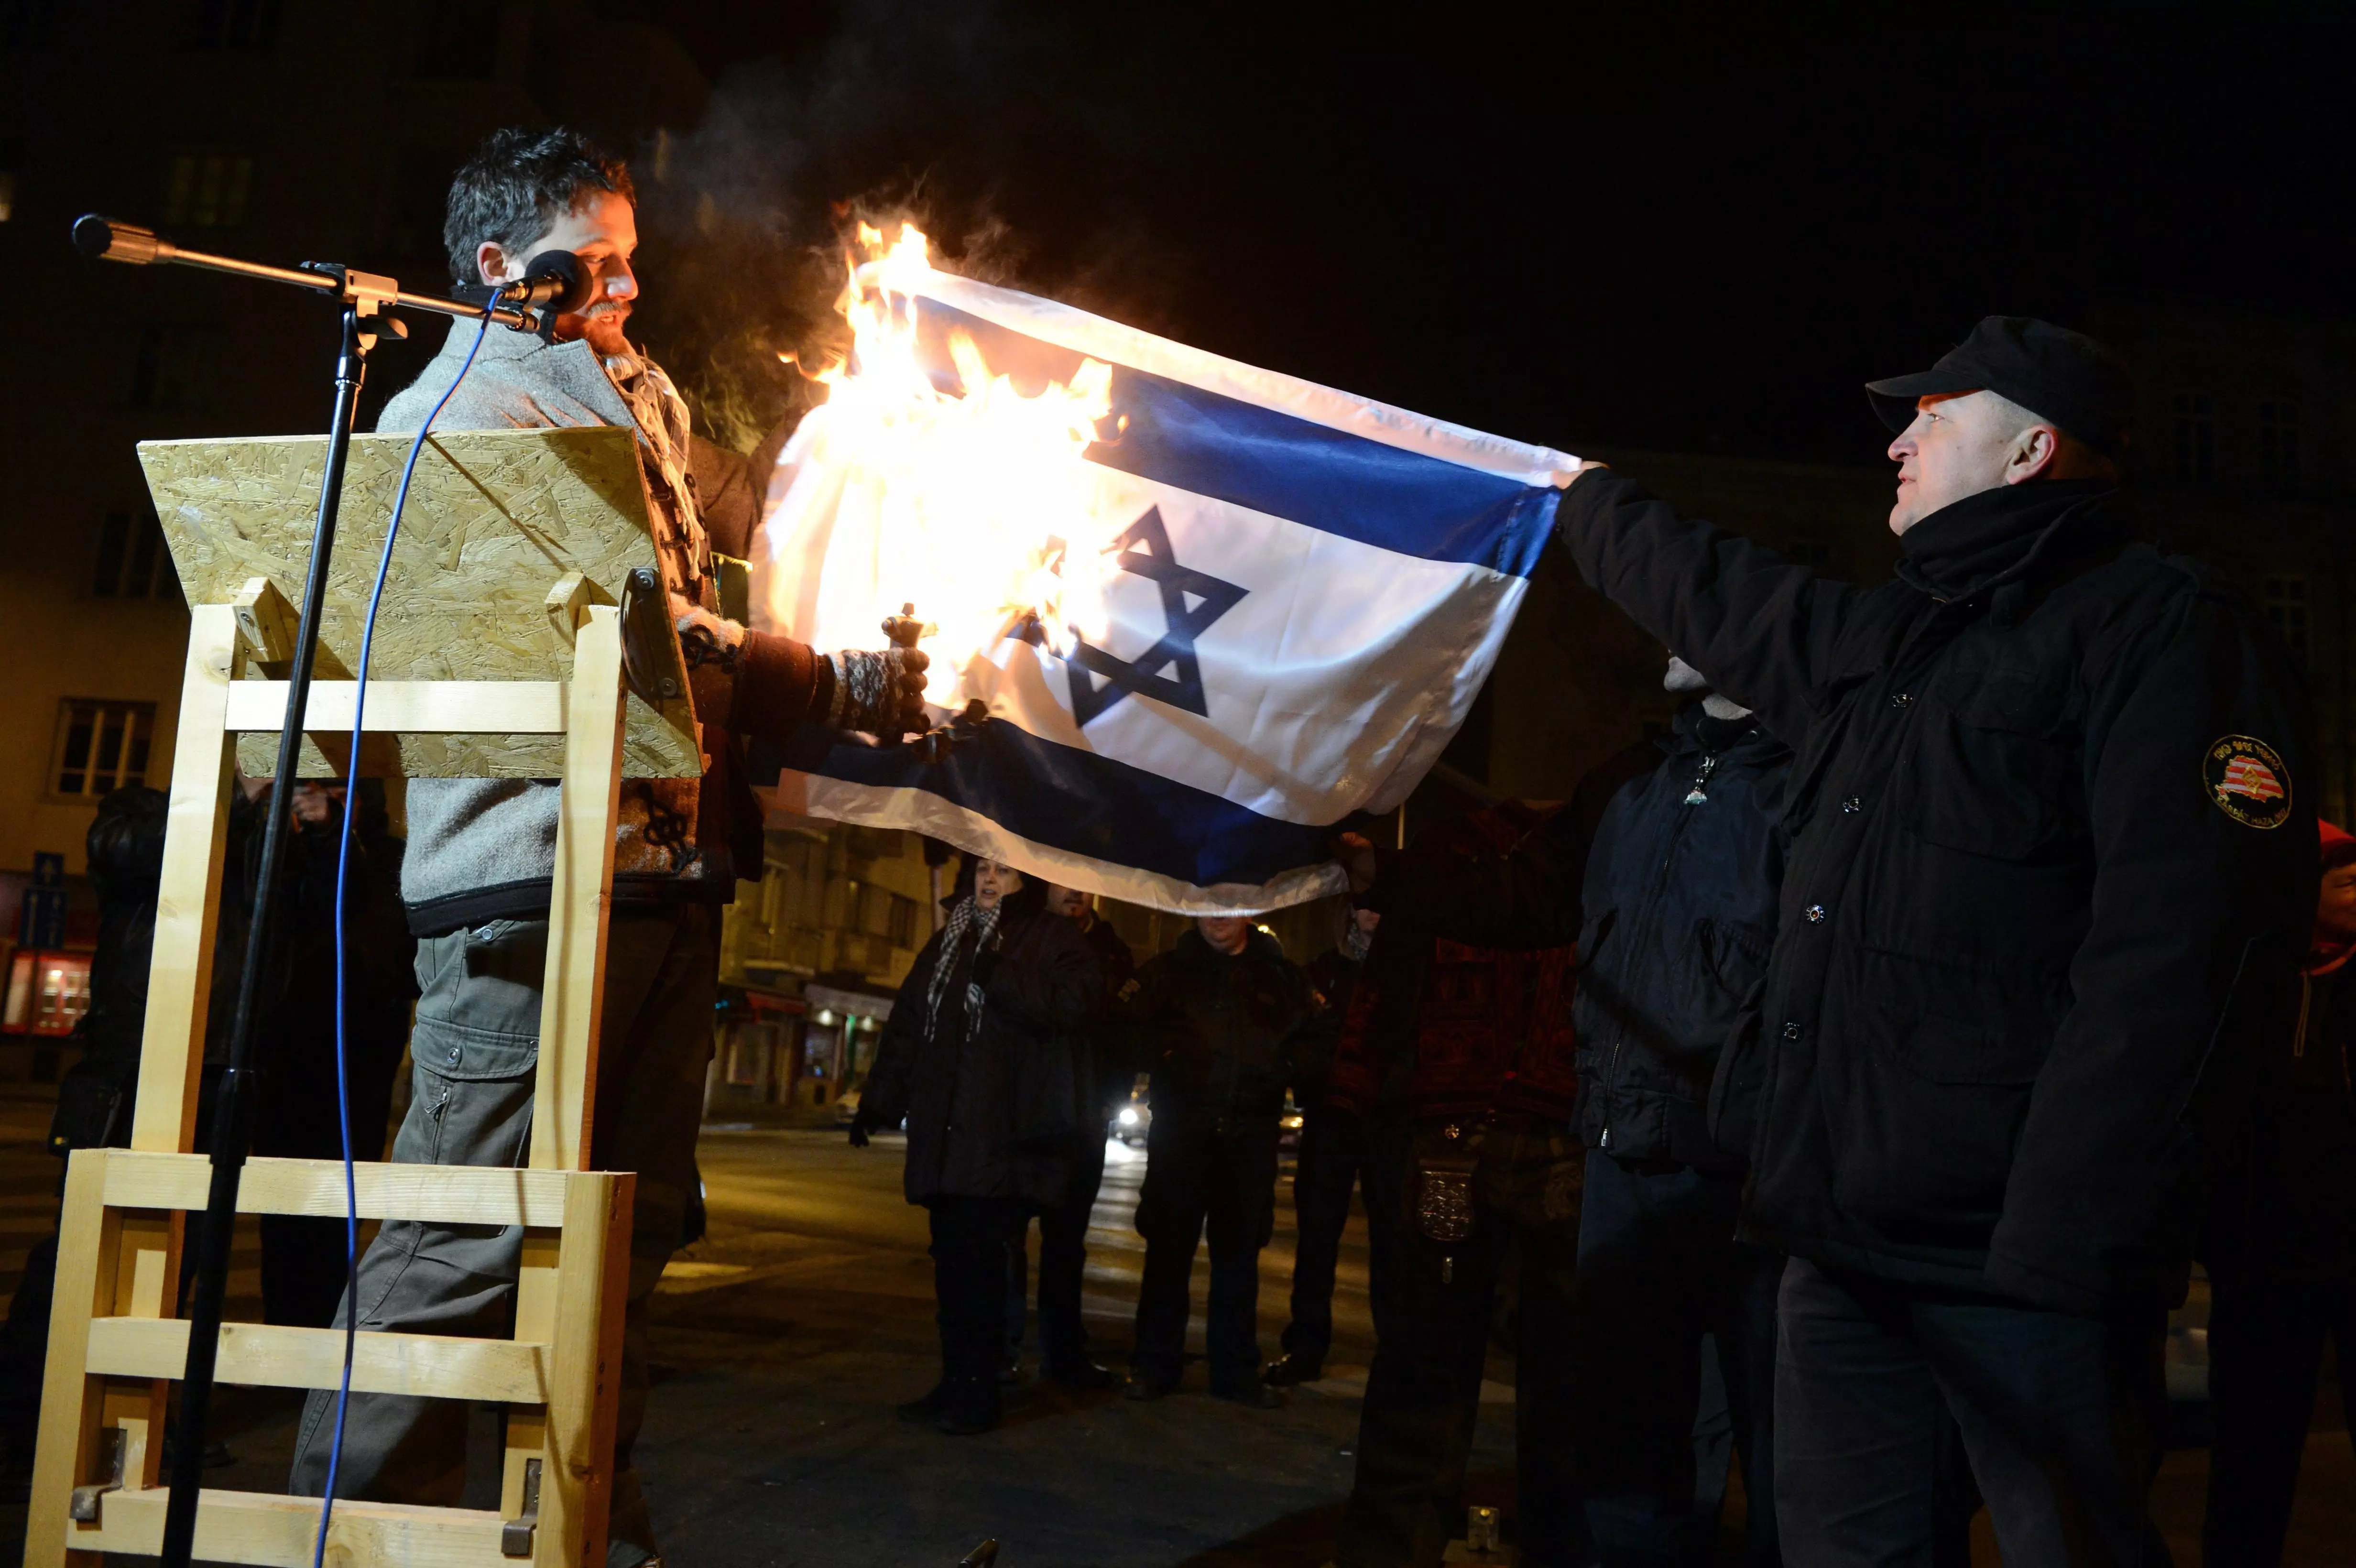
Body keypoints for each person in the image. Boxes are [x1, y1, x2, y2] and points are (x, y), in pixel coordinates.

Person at [1551, 316, 2315, 1562]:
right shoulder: (1900, 643)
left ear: (2028, 450)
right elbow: (1720, 590)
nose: (1900, 440)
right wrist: (1574, 497)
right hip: (1839, 1238)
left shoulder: (2163, 631)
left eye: (1934, 416)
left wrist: (2074, 1229)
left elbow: (2188, 953)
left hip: (2025, 1256)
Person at [285, 127, 927, 1566]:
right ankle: (347, 1527)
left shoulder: (639, 391)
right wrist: (808, 675)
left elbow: (705, 554)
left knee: (625, 1244)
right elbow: (621, 613)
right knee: (463, 1229)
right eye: (604, 263)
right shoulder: (456, 407)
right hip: (526, 869)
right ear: (504, 265)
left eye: (637, 261)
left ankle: (581, 1523)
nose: (631, 290)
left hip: (660, 875)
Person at [1564, 657, 1788, 1567]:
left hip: (1743, 1168)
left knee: (1781, 1442)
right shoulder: (1637, 793)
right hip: (1623, 1150)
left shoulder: (1803, 783)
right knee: (1628, 1435)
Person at [1331, 804, 1587, 1568]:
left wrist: (1358, 1088)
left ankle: (1397, 1545)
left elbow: (1387, 980)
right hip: (1493, 1140)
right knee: (1519, 1378)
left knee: (1436, 1369)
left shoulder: (1465, 860)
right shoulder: (1573, 851)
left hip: (1496, 1136)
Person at [856, 859, 1101, 1433]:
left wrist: (999, 973)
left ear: (1027, 880)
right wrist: (879, 1100)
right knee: (951, 1266)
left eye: (1003, 871)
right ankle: (956, 1381)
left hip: (1003, 1134)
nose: (989, 880)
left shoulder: (1052, 938)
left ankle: (978, 1394)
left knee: (981, 1269)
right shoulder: (950, 938)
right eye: (981, 869)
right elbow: (909, 1025)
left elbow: (1071, 1007)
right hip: (945, 1133)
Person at [2199, 819, 2356, 1566]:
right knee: (2253, 1462)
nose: (2355, 884)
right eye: (2339, 872)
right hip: (2267, 1262)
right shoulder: (2249, 985)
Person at [1123, 913, 1319, 1405]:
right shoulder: (1167, 970)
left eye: (1230, 903)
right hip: (1181, 1134)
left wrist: (1284, 1070)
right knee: (1168, 1252)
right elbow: (1126, 1028)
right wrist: (1166, 1056)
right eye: (1208, 901)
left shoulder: (1279, 975)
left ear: (1249, 909)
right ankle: (1153, 1364)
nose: (1218, 916)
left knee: (1238, 1257)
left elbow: (1313, 1039)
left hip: (1249, 1136)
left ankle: (1234, 1371)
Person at [251, 780, 417, 1330]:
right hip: (282, 1054)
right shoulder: (276, 844)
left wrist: (335, 836)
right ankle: (286, 1333)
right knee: (278, 1210)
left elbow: (369, 937)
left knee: (330, 1212)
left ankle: (320, 1332)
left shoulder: (387, 859)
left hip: (352, 1063)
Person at [1003, 883, 1135, 1388]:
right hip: (1023, 1111)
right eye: (1062, 877)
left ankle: (1062, 1353)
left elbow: (1123, 1034)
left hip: (1081, 1115)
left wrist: (1109, 1096)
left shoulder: (1112, 951)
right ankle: (999, 1350)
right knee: (1006, 1235)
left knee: (1066, 1240)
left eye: (1083, 879)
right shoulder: (1019, 937)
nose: (1074, 889)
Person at [1265, 903, 1381, 1386]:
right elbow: (1301, 1036)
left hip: (1386, 1117)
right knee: (1316, 1237)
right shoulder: (1322, 971)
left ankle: (1396, 1351)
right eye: (1365, 905)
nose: (1372, 913)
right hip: (1330, 1115)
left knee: (1393, 1242)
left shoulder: (1408, 966)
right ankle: (1305, 1346)